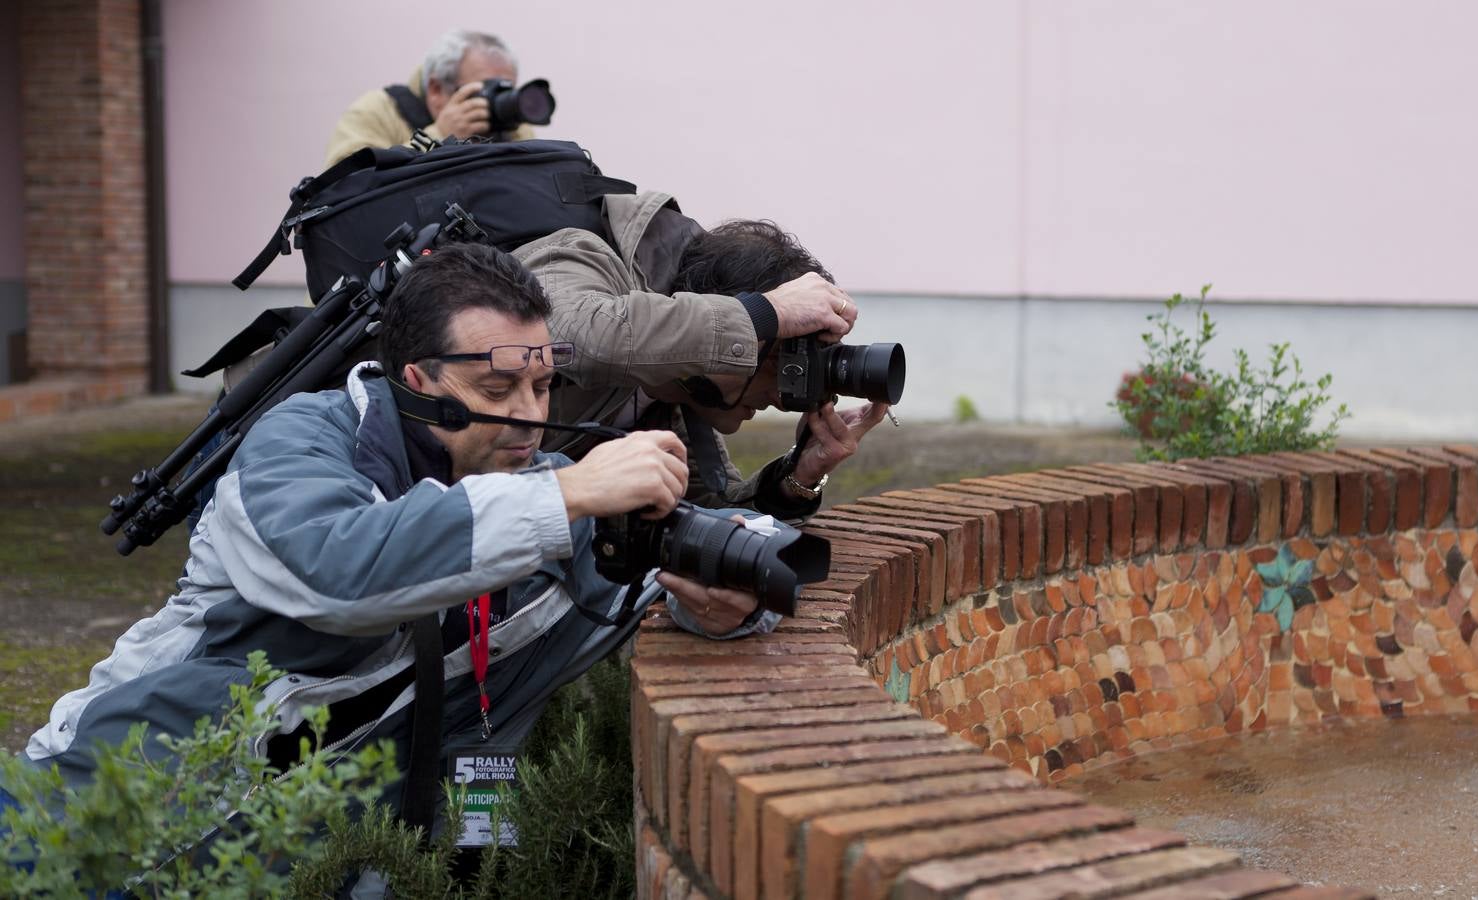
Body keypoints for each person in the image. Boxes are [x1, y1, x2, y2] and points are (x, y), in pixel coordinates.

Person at [8, 243, 778, 861]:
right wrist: (569, 494)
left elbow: (495, 710)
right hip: (95, 805)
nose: (529, 416)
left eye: (543, 385)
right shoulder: (300, 445)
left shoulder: (541, 498)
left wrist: (723, 607)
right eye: (501, 386)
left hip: (286, 861)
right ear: (418, 380)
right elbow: (344, 574)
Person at [514, 196, 888, 521]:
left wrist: (799, 477)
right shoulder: (572, 257)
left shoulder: (671, 394)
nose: (780, 396)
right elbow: (585, 339)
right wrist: (767, 313)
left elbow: (715, 520)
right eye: (778, 360)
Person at [324, 29, 538, 167]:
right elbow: (343, 185)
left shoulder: (512, 126)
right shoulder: (374, 112)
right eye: (483, 92)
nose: (494, 104)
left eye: (504, 92)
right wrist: (439, 136)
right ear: (436, 90)